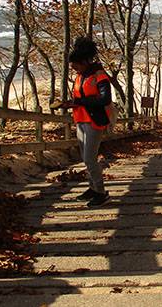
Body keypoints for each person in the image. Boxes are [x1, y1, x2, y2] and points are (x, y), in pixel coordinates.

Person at [51, 38, 112, 207]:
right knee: (86, 159)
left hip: (94, 121)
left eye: (76, 65)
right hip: (81, 119)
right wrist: (68, 103)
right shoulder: (80, 76)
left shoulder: (99, 75)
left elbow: (105, 99)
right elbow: (81, 97)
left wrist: (79, 103)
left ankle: (101, 192)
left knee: (90, 159)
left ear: (85, 62)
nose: (73, 68)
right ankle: (92, 188)